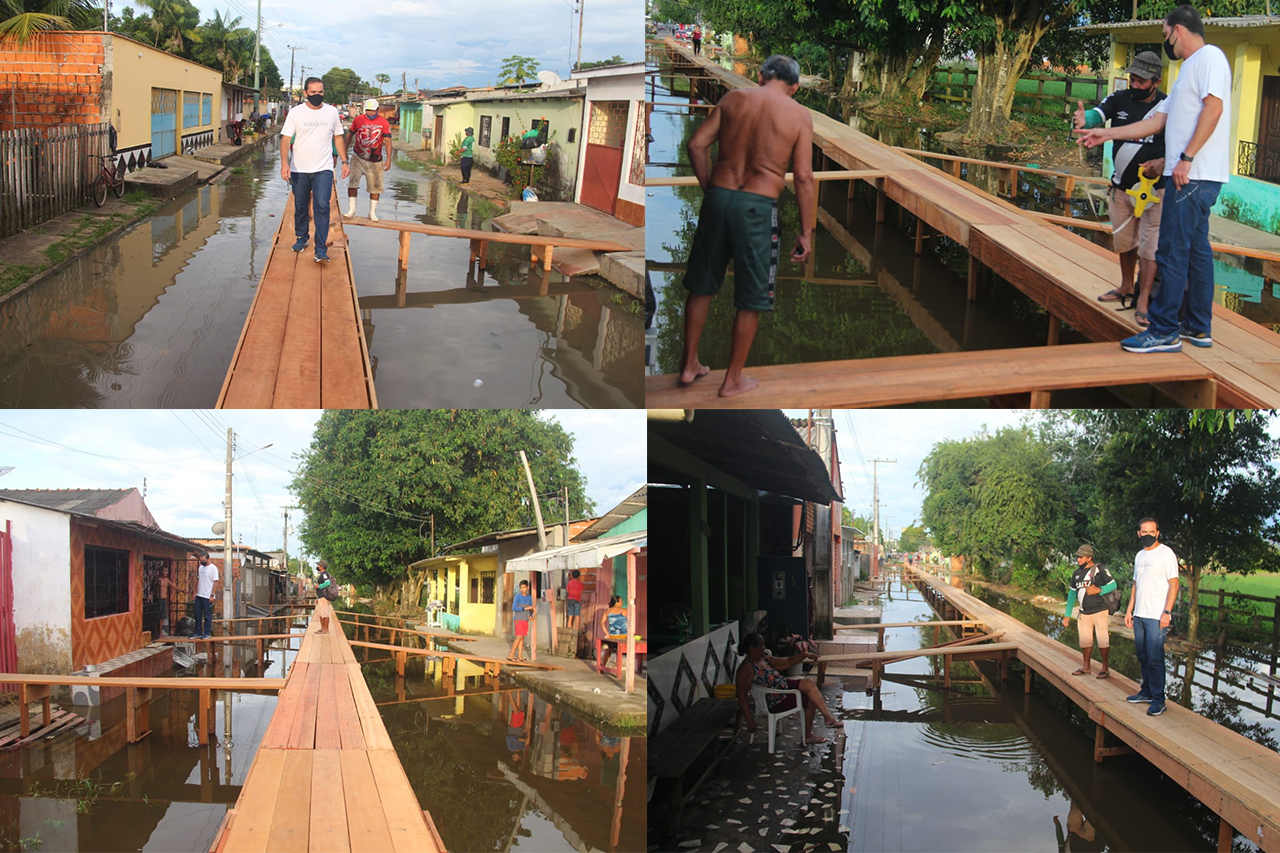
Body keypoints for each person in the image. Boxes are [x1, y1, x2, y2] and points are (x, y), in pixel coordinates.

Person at [1076, 5, 1232, 353]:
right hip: (1194, 175)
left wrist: (1186, 158)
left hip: (1192, 175)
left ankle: (1163, 330)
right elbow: (1155, 122)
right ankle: (1197, 327)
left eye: (1165, 35)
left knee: (1171, 251)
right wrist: (1104, 133)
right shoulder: (1188, 70)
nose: (1166, 42)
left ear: (1178, 30)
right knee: (1197, 252)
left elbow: (1214, 108)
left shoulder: (1209, 58)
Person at [679, 54, 814, 398]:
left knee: (702, 286)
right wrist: (806, 232)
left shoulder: (733, 99)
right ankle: (733, 380)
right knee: (752, 297)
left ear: (760, 76)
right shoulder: (799, 115)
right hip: (757, 206)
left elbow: (696, 145)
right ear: (795, 87)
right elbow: (803, 177)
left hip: (719, 198)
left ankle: (689, 365)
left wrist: (711, 189)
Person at [1072, 51, 1167, 326]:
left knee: (1150, 247)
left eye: (1141, 81)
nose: (1135, 85)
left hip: (1154, 192)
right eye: (1132, 79)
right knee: (1125, 241)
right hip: (1122, 188)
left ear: (1156, 82)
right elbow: (1098, 114)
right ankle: (1126, 285)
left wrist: (1162, 162)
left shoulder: (1166, 107)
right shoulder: (1119, 99)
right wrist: (1085, 119)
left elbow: (1179, 145)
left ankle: (1143, 299)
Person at [280, 77, 350, 264]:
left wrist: (344, 161)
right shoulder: (295, 113)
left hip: (323, 168)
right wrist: (284, 164)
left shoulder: (332, 112)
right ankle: (302, 237)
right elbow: (285, 140)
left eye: (320, 92)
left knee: (322, 206)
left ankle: (320, 248)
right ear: (305, 93)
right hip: (299, 169)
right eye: (313, 92)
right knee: (301, 206)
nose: (317, 95)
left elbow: (338, 138)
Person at [734, 632, 838, 745]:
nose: (764, 647)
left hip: (783, 688)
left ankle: (827, 718)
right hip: (774, 700)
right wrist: (749, 720)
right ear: (752, 648)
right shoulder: (746, 668)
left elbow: (787, 662)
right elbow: (741, 695)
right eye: (761, 645)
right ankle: (813, 731)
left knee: (809, 683)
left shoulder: (764, 658)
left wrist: (805, 655)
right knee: (810, 699)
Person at [1123, 518, 1180, 716]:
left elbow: (1174, 584)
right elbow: (1136, 584)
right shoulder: (1139, 556)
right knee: (1142, 655)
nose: (1148, 535)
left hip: (1156, 616)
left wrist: (1167, 612)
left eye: (1151, 532)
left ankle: (1158, 699)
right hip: (1139, 614)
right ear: (1138, 533)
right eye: (1144, 532)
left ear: (1157, 533)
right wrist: (1129, 610)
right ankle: (1146, 691)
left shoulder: (1166, 553)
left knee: (1155, 658)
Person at [1062, 544, 1117, 678]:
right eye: (1078, 557)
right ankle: (1086, 666)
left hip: (1099, 611)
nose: (1078, 560)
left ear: (1089, 557)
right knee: (1085, 641)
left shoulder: (1100, 569)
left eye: (1081, 557)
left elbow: (1113, 584)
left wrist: (1099, 590)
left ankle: (1105, 667)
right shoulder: (1076, 574)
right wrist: (1067, 614)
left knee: (1102, 640)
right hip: (1084, 613)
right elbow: (1072, 594)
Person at [345, 98, 393, 221]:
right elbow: (350, 135)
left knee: (375, 187)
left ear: (377, 110)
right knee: (352, 183)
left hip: (375, 160)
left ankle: (372, 212)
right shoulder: (358, 120)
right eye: (368, 110)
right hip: (358, 157)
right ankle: (351, 210)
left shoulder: (383, 122)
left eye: (373, 110)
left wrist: (388, 159)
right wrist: (344, 152)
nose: (370, 112)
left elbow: (388, 141)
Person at [597, 595, 630, 672]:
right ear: (616, 603)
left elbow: (601, 622)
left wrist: (606, 633)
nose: (622, 602)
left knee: (608, 651)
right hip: (623, 636)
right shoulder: (624, 611)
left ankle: (603, 666)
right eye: (621, 601)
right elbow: (631, 622)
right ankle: (619, 669)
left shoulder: (608, 611)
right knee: (620, 652)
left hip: (612, 637)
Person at [193, 552, 218, 640]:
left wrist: (212, 595)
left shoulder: (213, 568)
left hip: (207, 596)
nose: (202, 562)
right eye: (201, 560)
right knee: (197, 614)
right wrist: (195, 592)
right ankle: (198, 632)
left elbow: (215, 582)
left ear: (208, 559)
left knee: (207, 615)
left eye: (203, 560)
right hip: (199, 595)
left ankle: (207, 633)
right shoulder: (200, 568)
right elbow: (198, 580)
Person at [508, 579, 535, 661]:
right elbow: (514, 608)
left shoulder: (529, 597)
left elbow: (530, 608)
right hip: (518, 619)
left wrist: (530, 615)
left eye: (524, 587)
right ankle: (511, 654)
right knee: (519, 636)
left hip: (525, 619)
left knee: (522, 637)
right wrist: (524, 608)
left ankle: (520, 656)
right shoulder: (518, 597)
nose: (522, 589)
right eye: (521, 588)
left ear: (527, 587)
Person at [315, 560, 334, 634]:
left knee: (325, 613)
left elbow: (327, 583)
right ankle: (322, 628)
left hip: (324, 597)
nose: (317, 566)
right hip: (320, 597)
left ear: (322, 566)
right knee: (321, 614)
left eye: (319, 565)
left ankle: (326, 630)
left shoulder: (324, 574)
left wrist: (319, 586)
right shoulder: (321, 574)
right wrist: (317, 597)